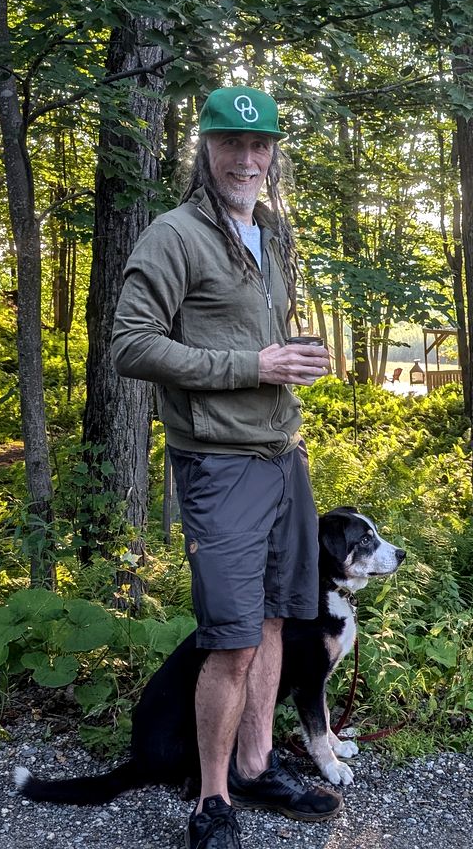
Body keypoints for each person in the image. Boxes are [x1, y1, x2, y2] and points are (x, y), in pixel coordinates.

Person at [112, 86, 339, 849]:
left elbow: (264, 342)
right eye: (229, 143)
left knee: (277, 617)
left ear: (273, 152)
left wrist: (292, 361)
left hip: (283, 456)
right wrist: (253, 364)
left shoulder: (271, 234)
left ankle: (255, 760)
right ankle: (211, 801)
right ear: (203, 149)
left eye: (259, 145)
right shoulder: (173, 235)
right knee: (232, 637)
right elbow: (132, 344)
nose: (246, 159)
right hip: (220, 464)